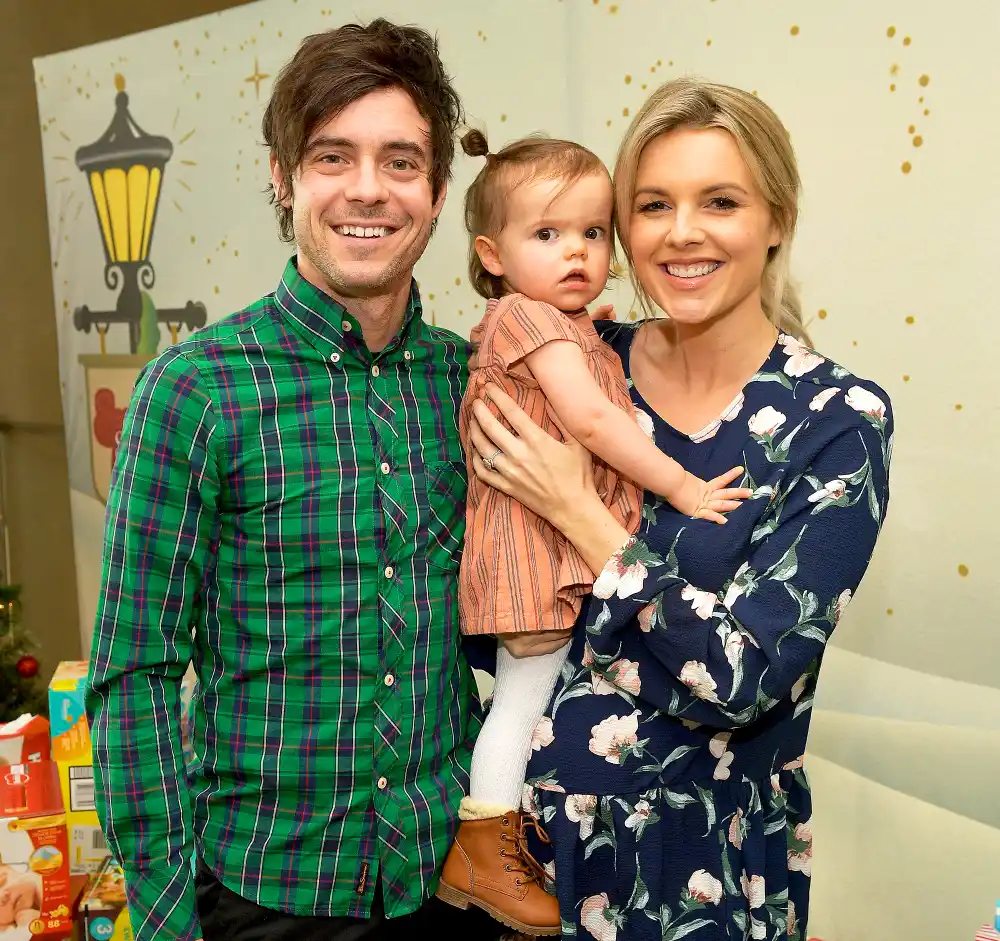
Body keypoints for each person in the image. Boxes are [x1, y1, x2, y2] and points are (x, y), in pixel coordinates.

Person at [85, 20, 508, 941]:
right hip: (266, 896)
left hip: (452, 881)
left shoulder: (469, 382)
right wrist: (164, 920)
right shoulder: (198, 389)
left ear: (437, 193)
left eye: (401, 161)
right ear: (283, 177)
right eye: (332, 155)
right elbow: (135, 676)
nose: (367, 189)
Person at [465, 78, 893, 941]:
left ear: (777, 218)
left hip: (697, 879)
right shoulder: (585, 360)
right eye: (653, 203)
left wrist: (579, 510)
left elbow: (741, 678)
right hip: (525, 868)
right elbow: (487, 613)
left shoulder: (836, 420)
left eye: (720, 201)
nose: (682, 231)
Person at [435, 129, 749, 937]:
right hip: (532, 552)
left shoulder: (569, 325)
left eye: (591, 232)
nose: (576, 252)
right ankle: (483, 838)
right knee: (522, 694)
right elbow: (586, 418)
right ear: (491, 253)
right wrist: (678, 482)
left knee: (530, 690)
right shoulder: (520, 317)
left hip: (559, 550)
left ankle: (499, 834)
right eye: (547, 234)